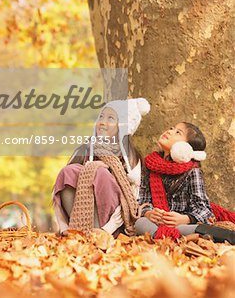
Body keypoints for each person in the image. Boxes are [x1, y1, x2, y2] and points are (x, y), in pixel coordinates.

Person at [52, 98, 150, 237]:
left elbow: (132, 199)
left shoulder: (131, 157)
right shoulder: (84, 150)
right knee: (69, 171)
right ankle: (78, 231)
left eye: (111, 118)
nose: (103, 122)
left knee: (100, 173)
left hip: (112, 225)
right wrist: (63, 227)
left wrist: (106, 230)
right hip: (78, 220)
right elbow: (58, 188)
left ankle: (96, 233)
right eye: (101, 117)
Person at [135, 122, 235, 242]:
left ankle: (168, 236)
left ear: (185, 148)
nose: (169, 131)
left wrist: (185, 219)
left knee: (195, 228)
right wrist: (149, 213)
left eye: (178, 132)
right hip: (157, 222)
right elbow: (143, 199)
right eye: (171, 128)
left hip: (182, 224)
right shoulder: (149, 165)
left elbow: (204, 209)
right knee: (140, 223)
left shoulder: (192, 171)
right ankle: (172, 237)